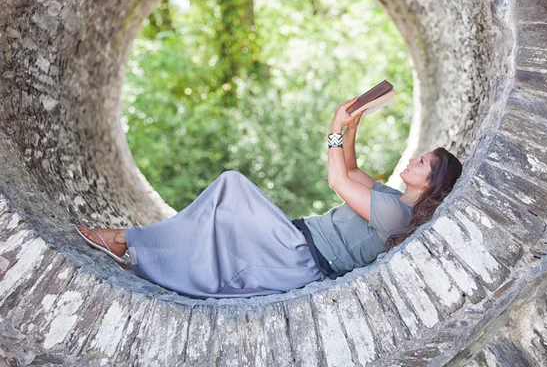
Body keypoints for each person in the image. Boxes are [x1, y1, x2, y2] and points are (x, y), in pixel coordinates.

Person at [75, 97, 462, 299]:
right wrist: (350, 126)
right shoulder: (390, 197)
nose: (413, 159)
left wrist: (332, 129)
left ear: (431, 181)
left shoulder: (397, 216)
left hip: (301, 257)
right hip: (296, 239)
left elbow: (336, 180)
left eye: (422, 161)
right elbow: (352, 167)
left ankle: (127, 240)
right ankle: (134, 245)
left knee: (233, 186)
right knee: (221, 221)